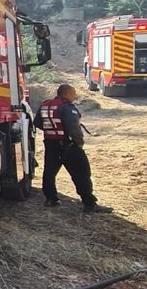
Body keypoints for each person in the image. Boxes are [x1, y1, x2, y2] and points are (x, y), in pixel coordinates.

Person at [37, 83, 112, 213]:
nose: (74, 96)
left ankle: (51, 199)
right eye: (73, 93)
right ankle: (89, 203)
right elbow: (74, 129)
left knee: (49, 173)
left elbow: (38, 123)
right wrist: (79, 144)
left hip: (50, 144)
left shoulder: (45, 105)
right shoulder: (67, 108)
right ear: (67, 94)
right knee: (82, 173)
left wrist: (52, 131)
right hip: (68, 146)